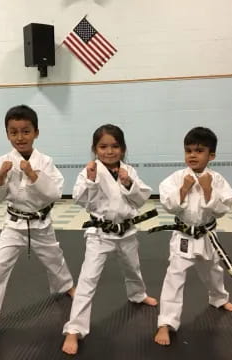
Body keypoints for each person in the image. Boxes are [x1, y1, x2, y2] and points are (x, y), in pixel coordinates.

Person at [0, 105, 75, 348]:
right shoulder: (2, 162)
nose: (20, 137)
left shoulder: (46, 162)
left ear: (36, 133)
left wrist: (32, 174)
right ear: (7, 134)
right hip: (14, 225)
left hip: (41, 223)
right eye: (14, 132)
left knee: (55, 258)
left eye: (26, 131)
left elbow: (55, 193)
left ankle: (68, 285)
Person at [62, 124, 158, 355]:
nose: (109, 151)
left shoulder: (129, 171)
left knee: (133, 268)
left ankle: (138, 294)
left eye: (115, 146)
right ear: (95, 149)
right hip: (100, 234)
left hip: (126, 232)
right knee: (88, 279)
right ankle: (74, 329)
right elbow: (80, 200)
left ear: (123, 149)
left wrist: (128, 183)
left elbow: (141, 199)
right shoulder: (89, 171)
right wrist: (91, 180)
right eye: (103, 146)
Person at [153, 126, 232, 346]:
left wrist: (208, 189)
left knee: (213, 272)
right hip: (183, 236)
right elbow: (169, 206)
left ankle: (219, 298)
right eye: (188, 150)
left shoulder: (217, 180)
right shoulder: (176, 178)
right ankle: (166, 322)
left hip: (207, 236)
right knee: (174, 277)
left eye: (199, 151)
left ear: (212, 155)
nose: (192, 155)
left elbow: (222, 209)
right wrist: (183, 189)